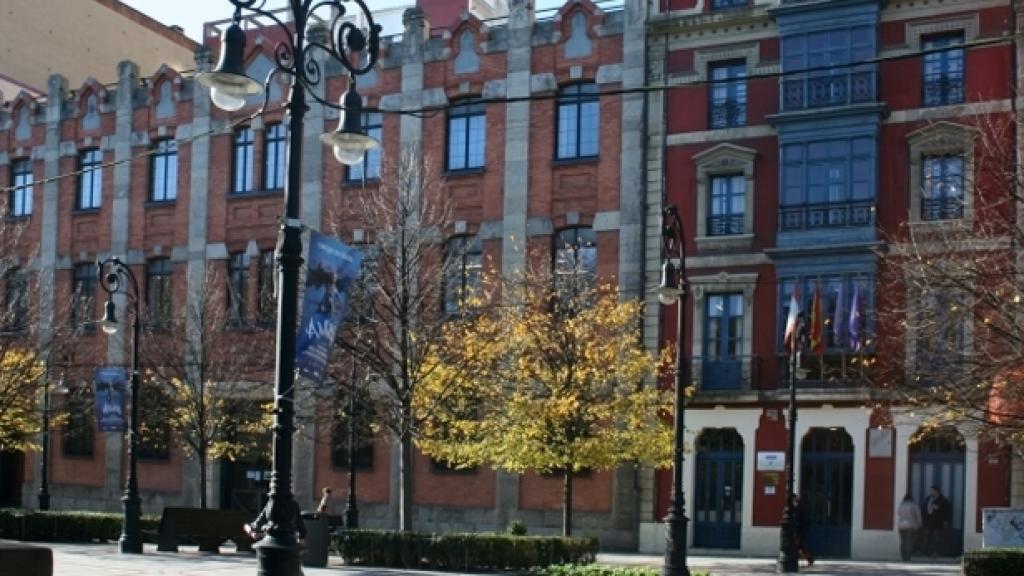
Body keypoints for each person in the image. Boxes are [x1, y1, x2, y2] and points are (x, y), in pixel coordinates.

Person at [922, 485, 951, 559]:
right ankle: (925, 552)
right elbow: (924, 509)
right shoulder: (928, 499)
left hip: (938, 522)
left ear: (937, 491)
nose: (931, 492)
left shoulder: (943, 500)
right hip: (928, 521)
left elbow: (947, 511)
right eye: (931, 490)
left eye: (932, 491)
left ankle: (936, 552)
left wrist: (945, 520)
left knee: (937, 538)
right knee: (926, 537)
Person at [897, 493, 923, 561]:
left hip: (901, 525)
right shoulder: (914, 505)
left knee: (903, 541)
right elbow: (918, 516)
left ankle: (903, 556)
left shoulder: (901, 505)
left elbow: (899, 513)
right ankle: (908, 557)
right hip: (911, 526)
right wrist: (919, 524)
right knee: (909, 542)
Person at [793, 494, 815, 567]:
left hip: (799, 531)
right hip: (802, 530)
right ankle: (809, 559)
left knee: (798, 547)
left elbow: (797, 521)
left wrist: (795, 531)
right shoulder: (803, 508)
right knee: (799, 547)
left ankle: (809, 559)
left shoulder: (797, 508)